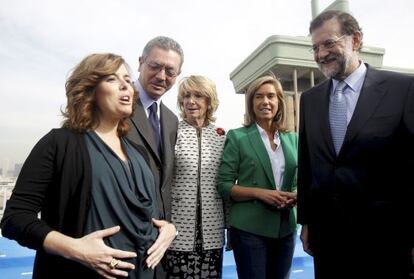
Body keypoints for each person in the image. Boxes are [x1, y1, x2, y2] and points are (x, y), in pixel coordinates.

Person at [0, 53, 167, 279]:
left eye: (127, 80)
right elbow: (14, 218)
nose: (125, 86)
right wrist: (75, 249)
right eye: (112, 79)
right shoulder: (59, 143)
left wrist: (168, 229)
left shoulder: (139, 153)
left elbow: (147, 214)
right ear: (89, 89)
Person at [297, 10, 414, 279]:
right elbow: (307, 167)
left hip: (387, 239)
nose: (321, 54)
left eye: (329, 43)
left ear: (356, 40)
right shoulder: (310, 100)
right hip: (328, 239)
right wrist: (306, 222)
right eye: (315, 47)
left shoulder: (403, 90)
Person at [218, 75, 298, 279]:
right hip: (249, 230)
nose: (265, 102)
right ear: (251, 103)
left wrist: (295, 195)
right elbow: (224, 186)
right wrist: (261, 193)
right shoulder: (237, 137)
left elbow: (299, 180)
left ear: (279, 101)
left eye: (271, 96)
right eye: (258, 97)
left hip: (285, 229)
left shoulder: (293, 139)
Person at [127, 37, 182, 277]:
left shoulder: (171, 120)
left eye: (170, 71)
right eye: (155, 66)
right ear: (140, 63)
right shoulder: (117, 104)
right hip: (123, 236)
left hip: (159, 241)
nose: (161, 76)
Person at [165, 75, 226, 278]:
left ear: (209, 101)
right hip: (177, 228)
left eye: (198, 96)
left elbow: (227, 182)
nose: (191, 101)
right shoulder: (172, 132)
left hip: (213, 228)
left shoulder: (221, 136)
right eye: (186, 96)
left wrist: (231, 226)